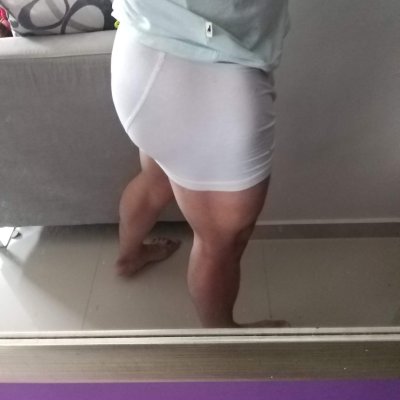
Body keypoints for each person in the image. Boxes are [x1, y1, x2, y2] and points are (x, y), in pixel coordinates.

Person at [110, 0, 291, 328]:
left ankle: (129, 256)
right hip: (215, 77)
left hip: (138, 56)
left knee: (155, 177)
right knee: (220, 242)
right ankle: (222, 338)